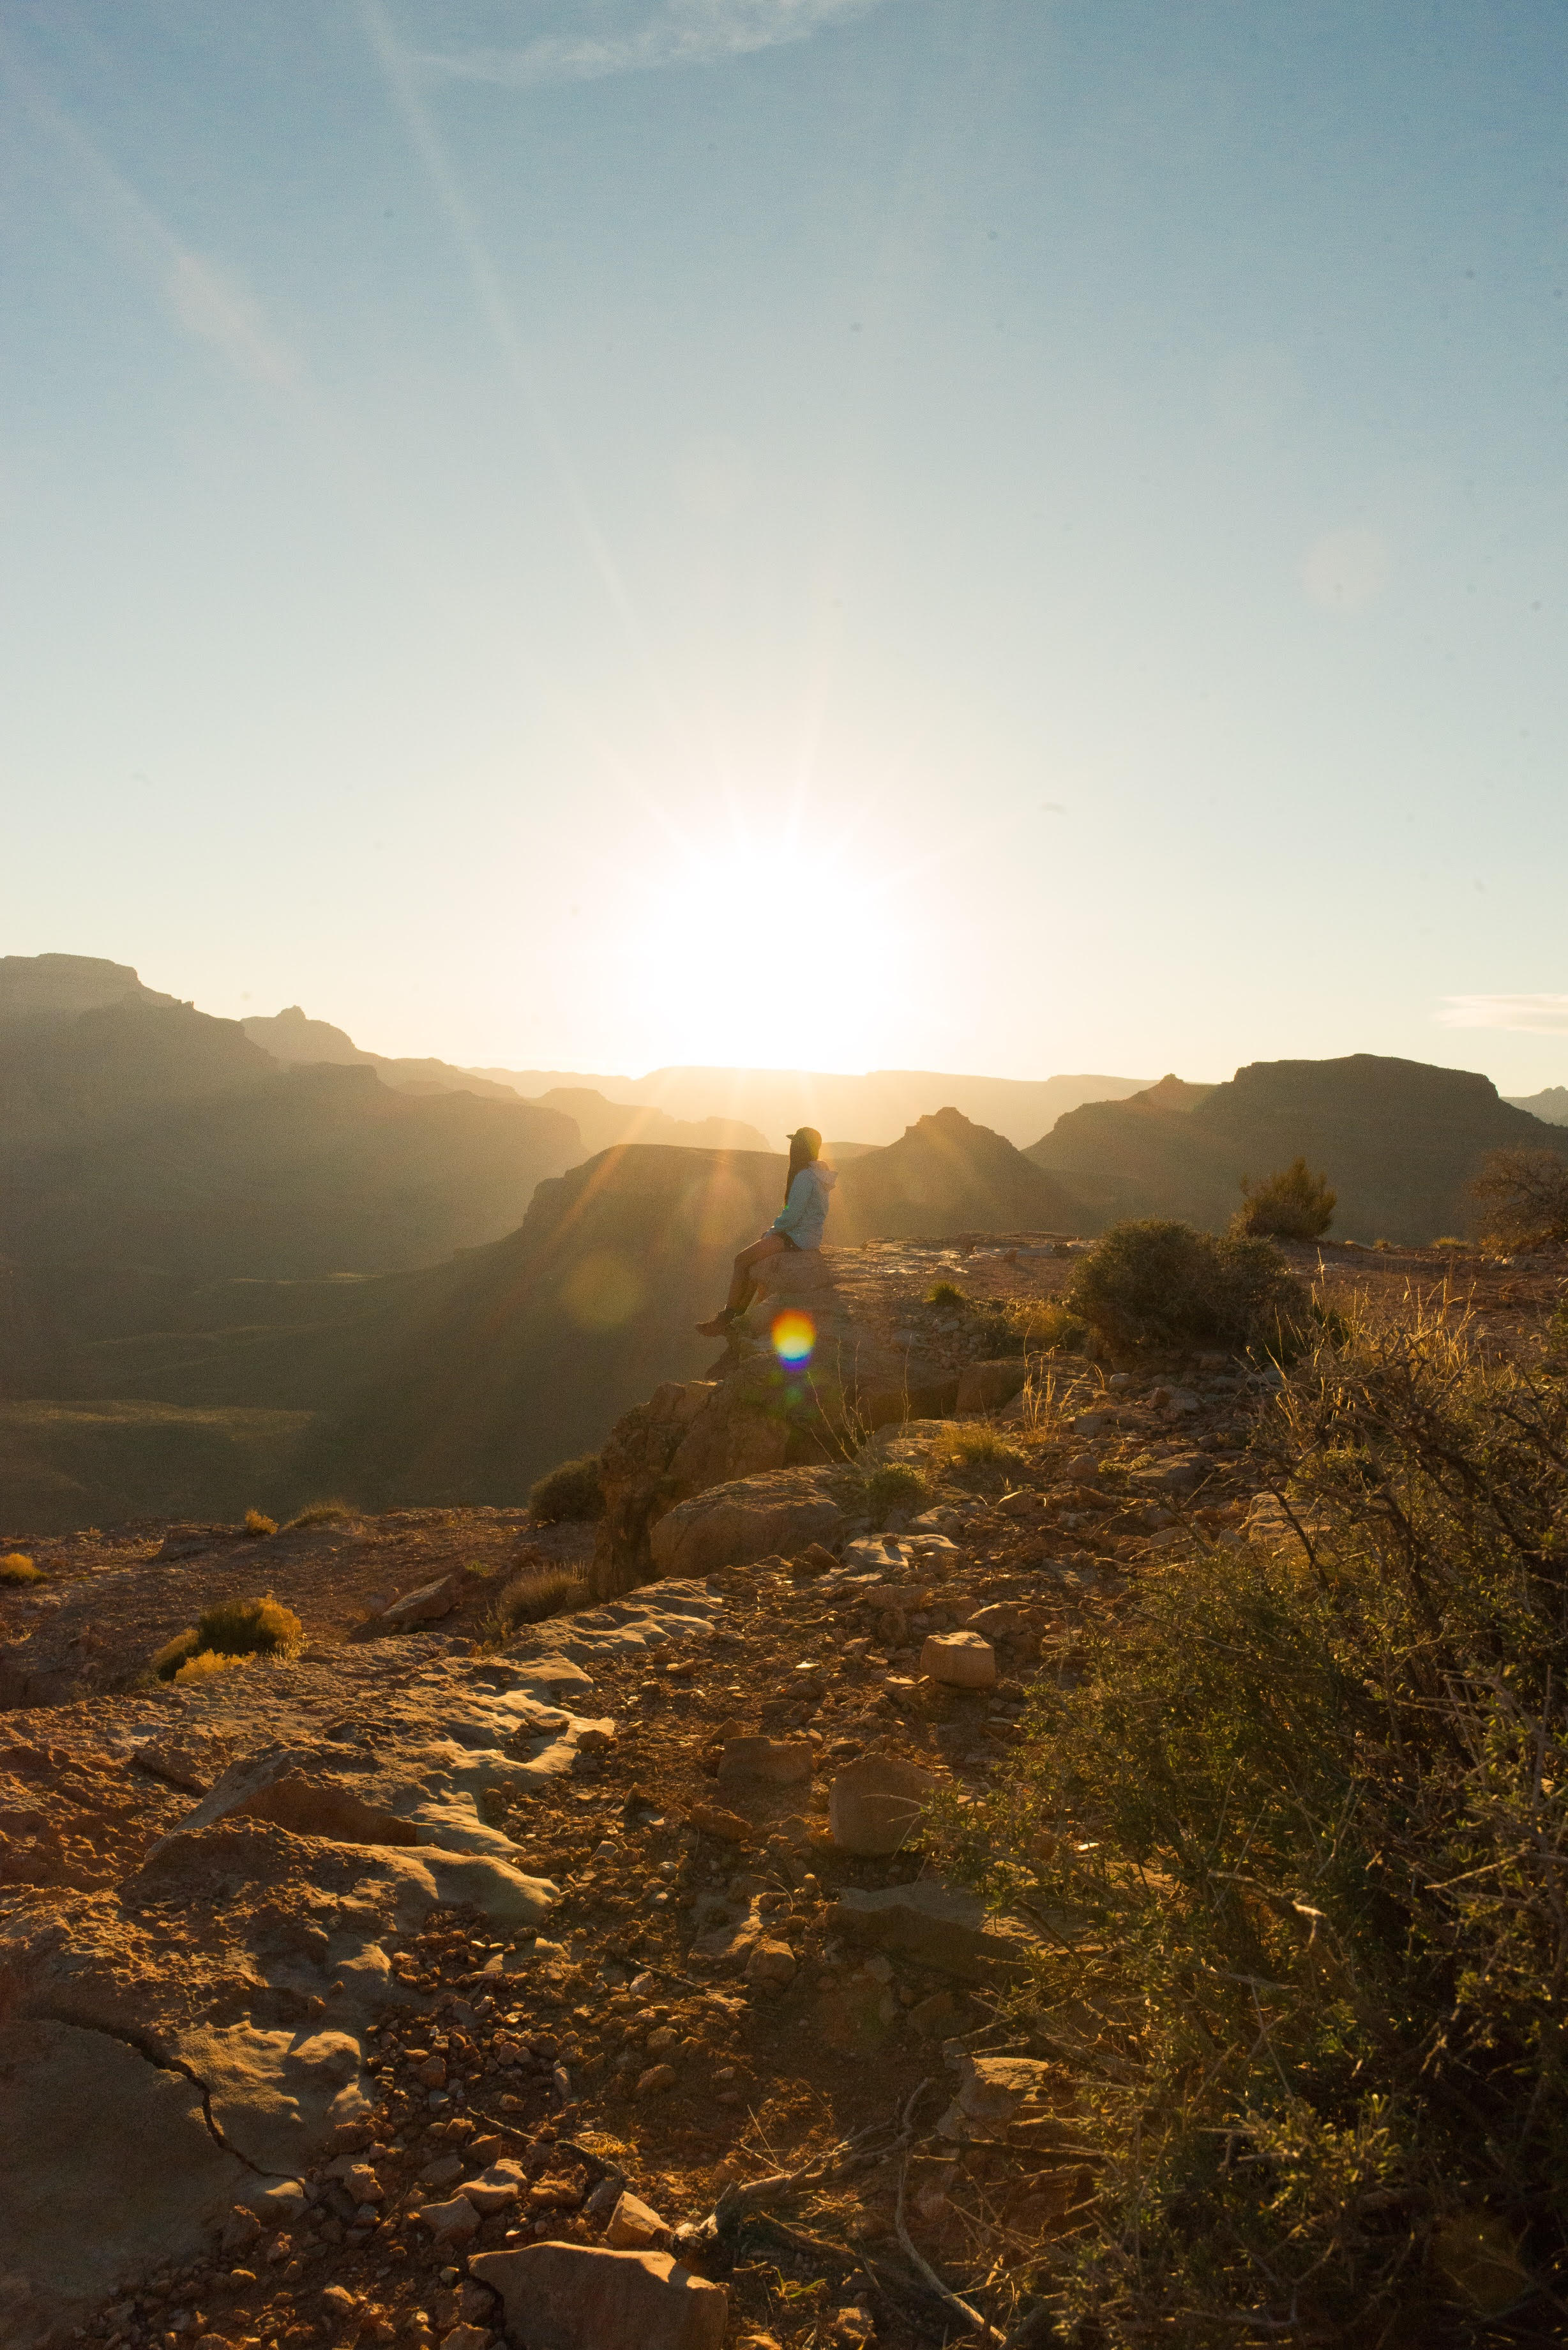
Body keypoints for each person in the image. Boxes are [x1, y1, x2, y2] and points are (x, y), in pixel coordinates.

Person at [696, 1126, 836, 1337]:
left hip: (796, 1237)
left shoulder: (804, 1177)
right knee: (753, 1262)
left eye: (793, 1144)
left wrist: (772, 1231)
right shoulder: (820, 1173)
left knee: (742, 1260)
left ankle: (726, 1318)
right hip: (810, 1237)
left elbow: (792, 1216)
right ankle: (735, 1318)